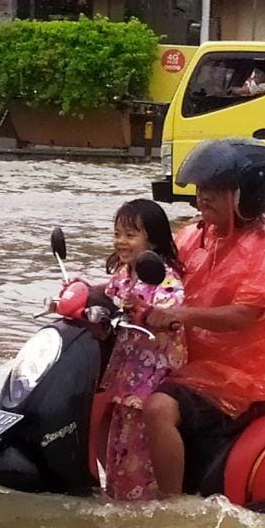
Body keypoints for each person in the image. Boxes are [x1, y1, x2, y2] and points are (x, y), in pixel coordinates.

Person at [140, 138, 265, 499]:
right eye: (201, 188)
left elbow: (243, 315)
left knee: (158, 408)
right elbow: (163, 273)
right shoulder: (196, 236)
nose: (202, 197)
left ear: (247, 195)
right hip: (189, 362)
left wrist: (179, 315)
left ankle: (171, 508)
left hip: (239, 376)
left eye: (215, 189)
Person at [100, 199, 187, 502]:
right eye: (118, 234)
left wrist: (148, 312)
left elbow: (171, 310)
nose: (121, 242)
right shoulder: (126, 272)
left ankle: (144, 507)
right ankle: (117, 497)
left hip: (150, 374)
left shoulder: (162, 275)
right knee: (116, 438)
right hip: (126, 370)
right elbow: (110, 296)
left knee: (137, 446)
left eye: (130, 235)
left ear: (151, 238)